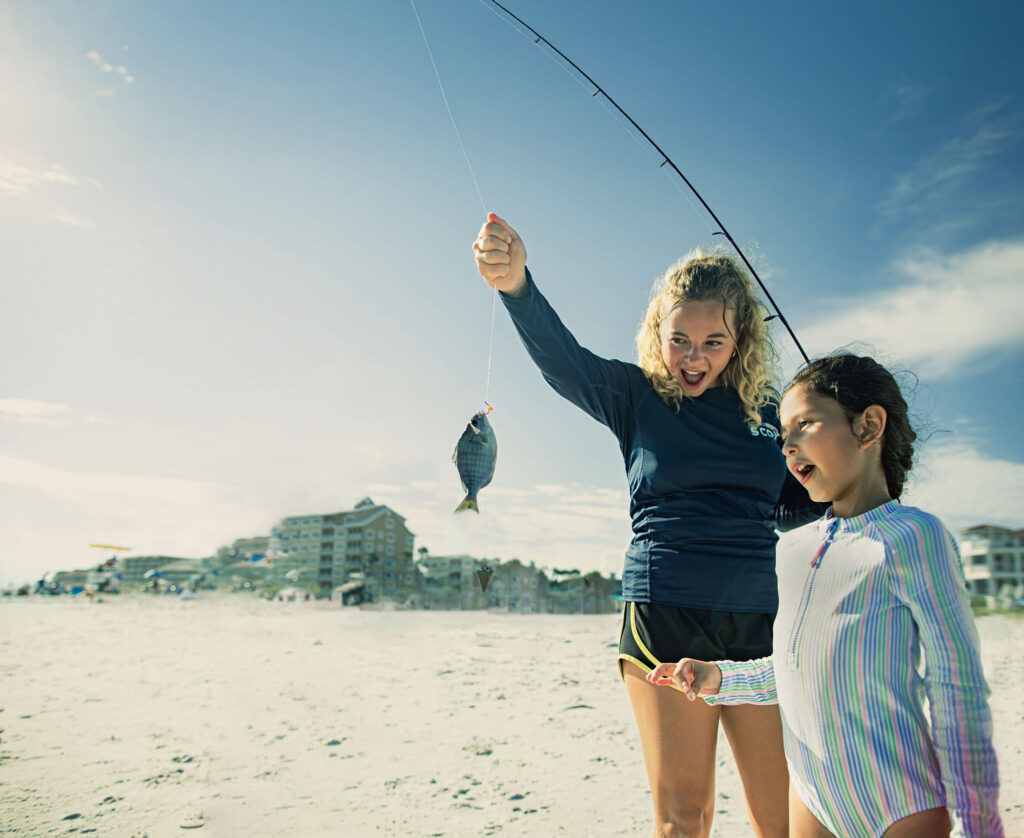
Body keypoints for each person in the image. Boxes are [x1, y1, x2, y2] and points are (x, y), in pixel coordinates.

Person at [473, 212, 825, 838]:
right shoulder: (636, 396)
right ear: (656, 333)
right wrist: (518, 288)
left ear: (740, 340)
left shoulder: (771, 413)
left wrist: (841, 480)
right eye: (679, 339)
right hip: (665, 610)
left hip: (760, 621)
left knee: (786, 819)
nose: (693, 357)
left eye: (713, 342)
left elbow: (788, 504)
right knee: (684, 819)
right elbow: (565, 363)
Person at [647, 353, 1003, 838]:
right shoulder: (792, 548)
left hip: (904, 806)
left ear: (868, 426)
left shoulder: (915, 537)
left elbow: (956, 688)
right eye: (783, 432)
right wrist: (718, 679)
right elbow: (793, 667)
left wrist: (978, 824)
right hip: (813, 804)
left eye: (804, 425)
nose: (787, 445)